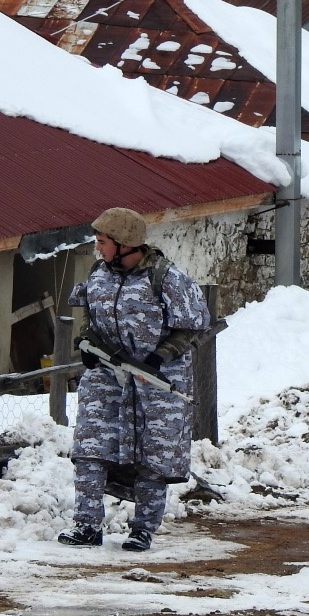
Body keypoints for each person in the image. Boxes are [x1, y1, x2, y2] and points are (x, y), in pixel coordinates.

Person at [58, 207, 210, 552]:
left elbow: (192, 327)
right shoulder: (98, 273)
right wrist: (86, 342)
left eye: (102, 242)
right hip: (106, 376)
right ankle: (86, 524)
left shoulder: (167, 278)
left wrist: (160, 356)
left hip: (155, 380)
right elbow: (89, 315)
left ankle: (143, 529)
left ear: (124, 243)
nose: (97, 248)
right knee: (90, 448)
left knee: (152, 456)